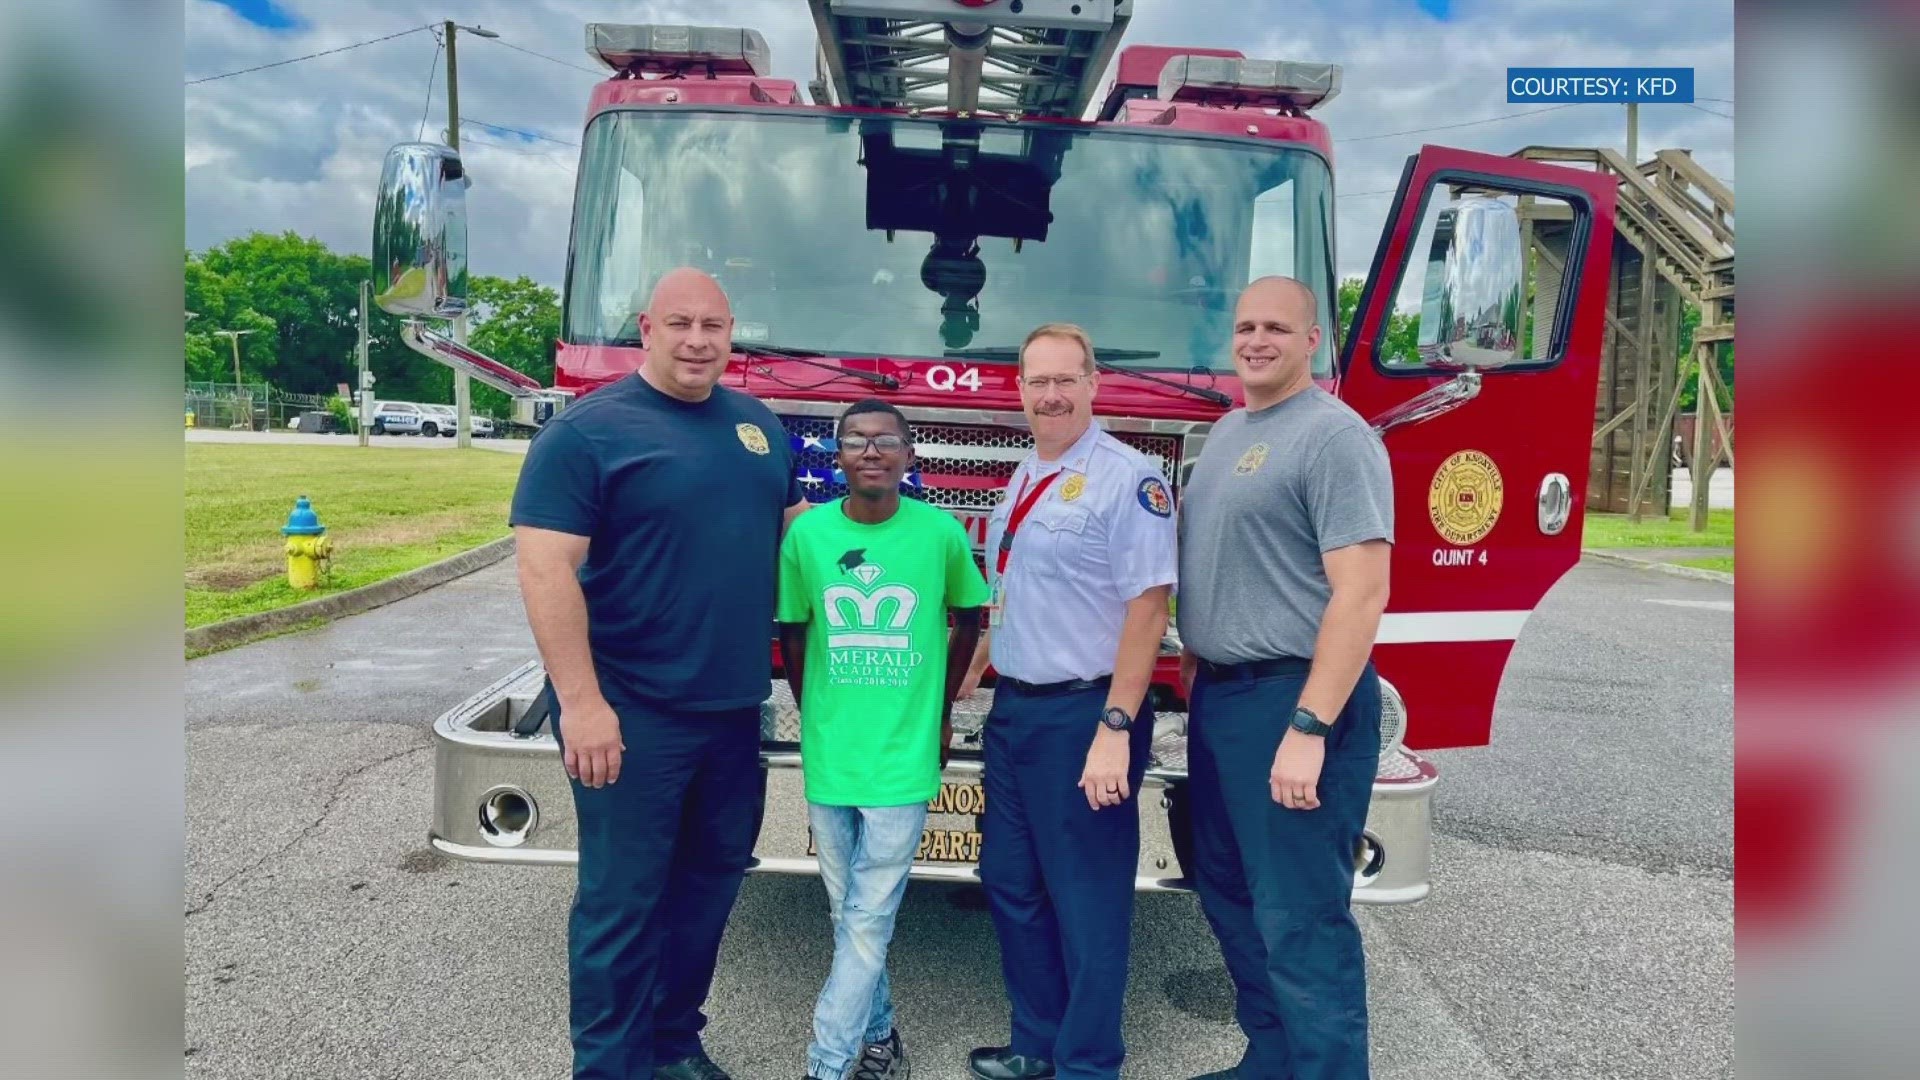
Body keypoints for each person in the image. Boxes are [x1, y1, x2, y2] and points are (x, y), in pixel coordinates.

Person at [509, 267, 808, 1080]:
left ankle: (673, 1043)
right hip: (631, 714)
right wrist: (582, 704)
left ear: (731, 332)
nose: (698, 340)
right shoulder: (586, 434)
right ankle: (609, 1066)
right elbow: (544, 570)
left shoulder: (758, 428)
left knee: (709, 888)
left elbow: (793, 539)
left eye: (713, 326)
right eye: (680, 324)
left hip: (732, 712)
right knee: (622, 904)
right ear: (646, 328)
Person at [1174, 276, 1394, 1080]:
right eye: (1244, 326)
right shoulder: (1230, 431)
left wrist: (1309, 729)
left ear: (1313, 342)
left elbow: (1362, 590)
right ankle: (1270, 1058)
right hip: (1225, 699)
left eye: (1276, 327)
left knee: (1302, 917)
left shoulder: (1336, 438)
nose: (1256, 340)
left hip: (1295, 700)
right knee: (1229, 895)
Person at [963, 323, 1178, 1080]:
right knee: (1011, 882)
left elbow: (1148, 610)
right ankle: (1037, 1044)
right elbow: (1020, 586)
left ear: (1094, 384)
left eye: (1064, 380)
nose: (1049, 396)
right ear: (1019, 389)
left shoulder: (1129, 479)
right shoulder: (1025, 473)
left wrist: (1116, 727)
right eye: (1036, 382)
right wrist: (988, 655)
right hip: (1016, 711)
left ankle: (1089, 1063)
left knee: (1086, 899)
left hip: (1086, 715)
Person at [776, 398, 989, 1080]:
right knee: (849, 915)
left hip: (904, 754)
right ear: (836, 456)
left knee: (867, 921)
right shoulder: (807, 538)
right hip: (833, 754)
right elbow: (793, 628)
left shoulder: (938, 533)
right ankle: (881, 1041)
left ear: (909, 455)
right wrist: (814, 713)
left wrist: (943, 707)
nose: (871, 450)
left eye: (886, 440)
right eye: (856, 440)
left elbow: (970, 613)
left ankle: (827, 1065)